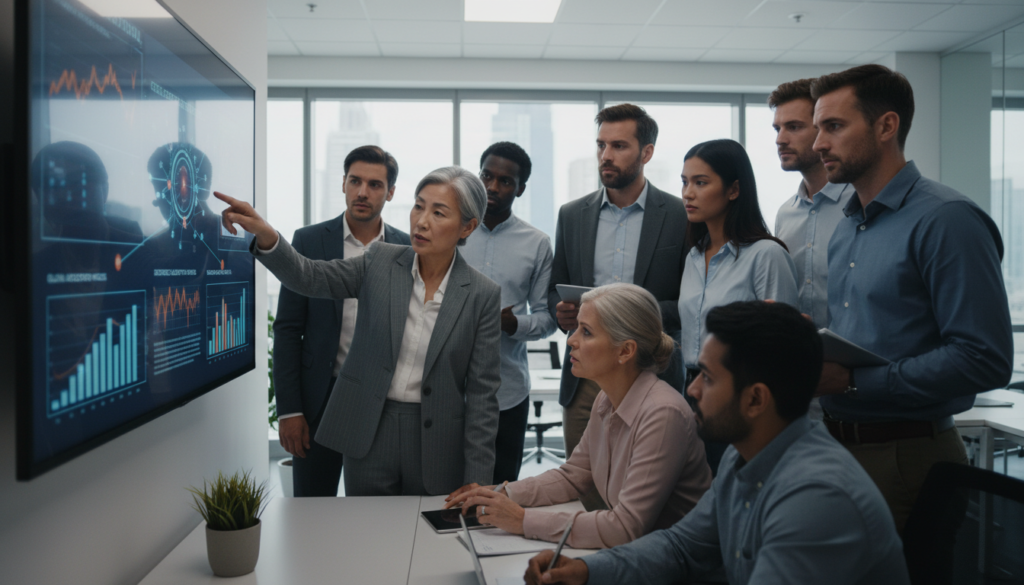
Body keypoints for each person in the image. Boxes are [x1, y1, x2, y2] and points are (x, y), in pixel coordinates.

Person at [523, 301, 909, 585]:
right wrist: (588, 570)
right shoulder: (742, 460)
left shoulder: (816, 497)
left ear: (755, 399)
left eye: (706, 377)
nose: (691, 390)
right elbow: (681, 547)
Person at [811, 64, 1013, 532]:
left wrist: (853, 383)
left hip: (907, 456)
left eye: (835, 126)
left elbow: (984, 359)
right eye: (819, 128)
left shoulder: (946, 220)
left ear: (886, 126)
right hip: (838, 446)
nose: (819, 142)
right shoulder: (847, 226)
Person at [216, 166, 502, 496]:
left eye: (439, 213)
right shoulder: (379, 261)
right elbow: (309, 277)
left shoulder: (482, 295)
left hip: (437, 441)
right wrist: (266, 234)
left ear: (468, 226)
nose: (421, 221)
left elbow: (483, 397)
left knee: (430, 541)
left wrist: (479, 480)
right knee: (368, 535)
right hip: (370, 431)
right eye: (419, 206)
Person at [444, 284, 711, 549]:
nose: (571, 340)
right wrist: (501, 494)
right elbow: (573, 475)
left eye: (586, 332)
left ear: (625, 351)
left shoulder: (663, 413)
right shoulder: (606, 398)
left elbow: (625, 527)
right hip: (641, 557)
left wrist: (523, 520)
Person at [548, 104, 688, 509]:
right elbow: (555, 292)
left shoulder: (679, 215)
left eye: (619, 146)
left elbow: (688, 304)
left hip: (651, 374)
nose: (606, 156)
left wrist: (625, 318)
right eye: (601, 145)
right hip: (584, 379)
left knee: (647, 497)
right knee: (586, 492)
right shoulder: (571, 215)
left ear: (646, 152)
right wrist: (561, 311)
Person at [273, 145, 410, 497]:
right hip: (321, 395)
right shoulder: (308, 240)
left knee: (375, 508)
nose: (363, 192)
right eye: (355, 181)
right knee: (312, 507)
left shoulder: (408, 249)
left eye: (375, 184)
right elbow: (288, 329)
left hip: (381, 398)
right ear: (344, 184)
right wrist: (289, 410)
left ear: (391, 192)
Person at [677, 138, 798, 473]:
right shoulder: (692, 256)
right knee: (704, 501)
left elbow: (784, 347)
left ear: (733, 190)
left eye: (701, 183)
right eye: (685, 182)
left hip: (744, 398)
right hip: (694, 392)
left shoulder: (766, 255)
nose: (688, 193)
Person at [461, 142, 556, 484]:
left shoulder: (537, 243)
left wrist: (512, 323)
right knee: (442, 492)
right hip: (447, 390)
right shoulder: (451, 231)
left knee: (501, 493)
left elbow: (547, 318)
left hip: (507, 392)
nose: (492, 187)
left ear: (521, 188)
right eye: (486, 175)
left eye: (505, 181)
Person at [768, 79, 854, 420]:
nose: (780, 139)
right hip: (800, 394)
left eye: (794, 127)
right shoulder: (785, 214)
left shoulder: (861, 207)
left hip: (856, 393)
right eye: (777, 128)